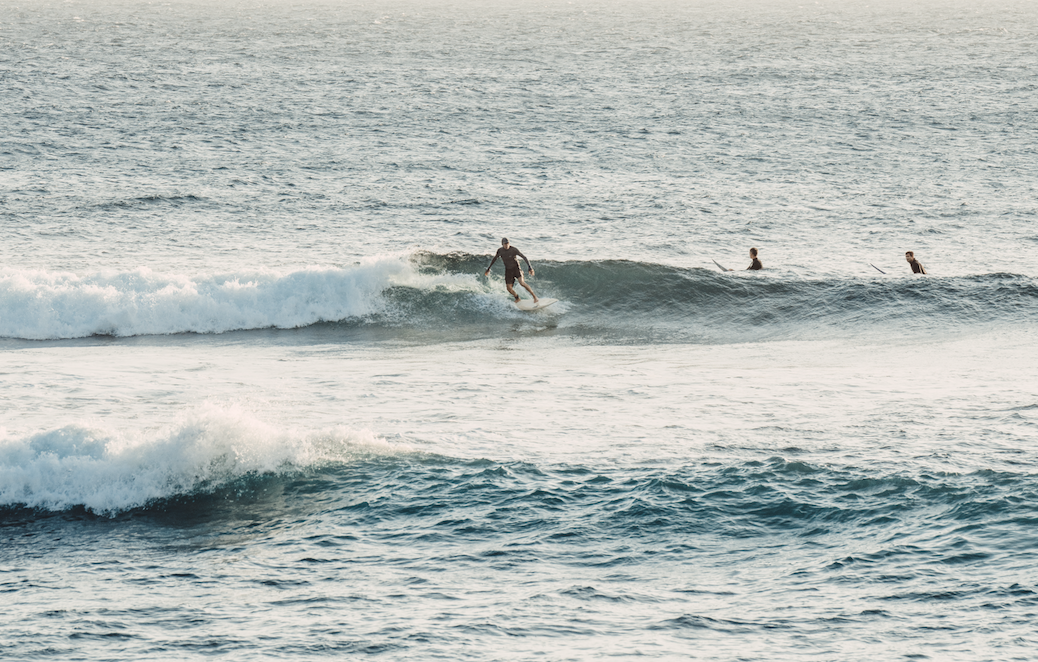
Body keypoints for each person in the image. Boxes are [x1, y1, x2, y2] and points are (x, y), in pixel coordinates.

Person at [485, 238, 538, 303]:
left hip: (516, 269)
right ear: (502, 244)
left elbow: (524, 257)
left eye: (507, 243)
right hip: (508, 270)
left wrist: (530, 268)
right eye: (505, 244)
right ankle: (517, 298)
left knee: (522, 283)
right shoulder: (500, 251)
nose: (506, 245)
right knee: (509, 288)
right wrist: (488, 268)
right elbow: (494, 258)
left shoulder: (513, 250)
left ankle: (535, 297)